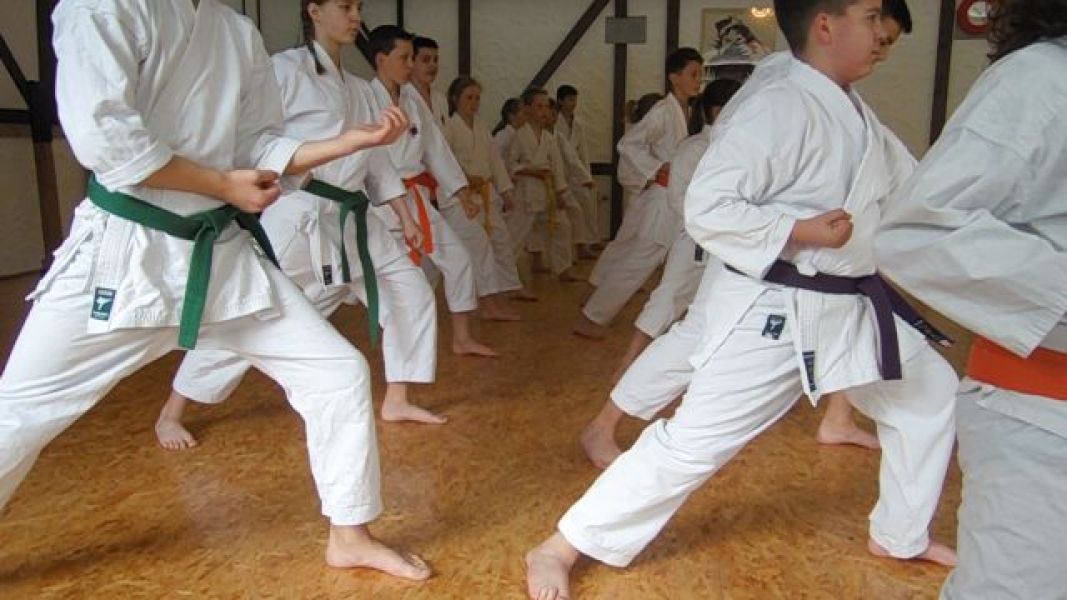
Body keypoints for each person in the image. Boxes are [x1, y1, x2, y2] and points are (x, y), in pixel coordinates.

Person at [526, 2, 960, 597]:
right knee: (695, 443)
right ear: (825, 25)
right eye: (871, 18)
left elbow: (907, 186)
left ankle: (900, 533)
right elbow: (709, 206)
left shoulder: (839, 100)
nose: (884, 37)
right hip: (777, 310)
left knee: (929, 393)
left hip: (847, 306)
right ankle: (560, 546)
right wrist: (802, 230)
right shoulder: (782, 104)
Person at [0, 0, 429, 580]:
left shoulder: (234, 30)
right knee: (22, 410)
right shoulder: (103, 7)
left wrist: (346, 143)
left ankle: (349, 535)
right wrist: (222, 185)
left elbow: (258, 144)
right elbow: (108, 141)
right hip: (127, 253)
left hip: (222, 255)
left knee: (335, 372)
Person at [155, 0, 449, 443]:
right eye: (345, 6)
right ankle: (172, 410)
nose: (355, 16)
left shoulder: (358, 87)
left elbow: (375, 160)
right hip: (300, 217)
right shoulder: (284, 70)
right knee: (252, 316)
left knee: (411, 291)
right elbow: (251, 136)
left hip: (354, 219)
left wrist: (404, 214)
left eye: (359, 7)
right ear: (314, 11)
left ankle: (398, 397)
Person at [874, 1, 1067, 596]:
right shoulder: (1044, 77)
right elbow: (920, 227)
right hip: (1045, 404)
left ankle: (897, 529)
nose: (879, 44)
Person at [367, 25, 498, 357]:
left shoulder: (411, 98)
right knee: (387, 277)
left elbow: (435, 147)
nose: (411, 65)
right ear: (382, 60)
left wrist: (460, 192)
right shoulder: (365, 99)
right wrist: (401, 210)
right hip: (383, 204)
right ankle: (395, 339)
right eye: (405, 58)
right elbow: (371, 161)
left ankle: (461, 338)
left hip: (417, 199)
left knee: (457, 259)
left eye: (412, 57)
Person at [573, 48, 704, 339]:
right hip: (662, 198)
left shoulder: (688, 112)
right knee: (638, 262)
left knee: (629, 251)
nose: (699, 80)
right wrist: (657, 168)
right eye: (693, 74)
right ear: (674, 78)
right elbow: (628, 143)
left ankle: (592, 304)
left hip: (667, 197)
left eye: (700, 74)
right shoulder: (663, 111)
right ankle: (591, 317)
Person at [443, 76, 524, 321]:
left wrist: (506, 192)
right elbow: (444, 161)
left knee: (501, 239)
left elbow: (495, 161)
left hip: (485, 196)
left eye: (477, 98)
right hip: (459, 198)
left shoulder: (481, 126)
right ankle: (488, 304)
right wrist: (465, 178)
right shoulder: (449, 126)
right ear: (455, 99)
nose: (474, 102)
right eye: (469, 97)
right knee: (480, 245)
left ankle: (503, 294)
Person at [505, 88, 578, 283]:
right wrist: (532, 171)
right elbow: (510, 166)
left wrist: (561, 192)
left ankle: (563, 269)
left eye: (546, 106)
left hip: (548, 192)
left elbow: (557, 168)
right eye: (539, 106)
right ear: (528, 109)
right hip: (525, 193)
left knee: (562, 227)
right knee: (515, 236)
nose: (544, 111)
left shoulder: (549, 138)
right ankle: (504, 278)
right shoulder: (519, 136)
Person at [555, 85, 599, 258]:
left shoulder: (578, 124)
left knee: (586, 206)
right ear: (560, 101)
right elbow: (566, 154)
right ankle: (577, 247)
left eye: (575, 99)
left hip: (577, 173)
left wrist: (586, 176)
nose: (573, 103)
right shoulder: (555, 123)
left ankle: (589, 242)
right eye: (570, 99)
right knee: (572, 213)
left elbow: (583, 153)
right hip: (561, 171)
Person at [411, 35, 449, 129]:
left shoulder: (441, 99)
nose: (432, 65)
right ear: (411, 62)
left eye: (435, 60)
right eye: (426, 60)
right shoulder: (402, 97)